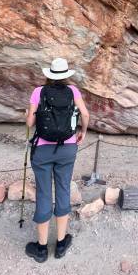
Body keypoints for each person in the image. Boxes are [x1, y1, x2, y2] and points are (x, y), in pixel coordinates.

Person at [24, 57, 89, 262]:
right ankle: (61, 244)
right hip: (67, 149)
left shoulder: (38, 92)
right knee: (63, 190)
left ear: (49, 75)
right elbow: (85, 115)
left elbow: (30, 122)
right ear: (65, 75)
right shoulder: (73, 91)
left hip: (42, 150)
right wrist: (83, 132)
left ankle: (41, 249)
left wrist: (27, 115)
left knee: (44, 193)